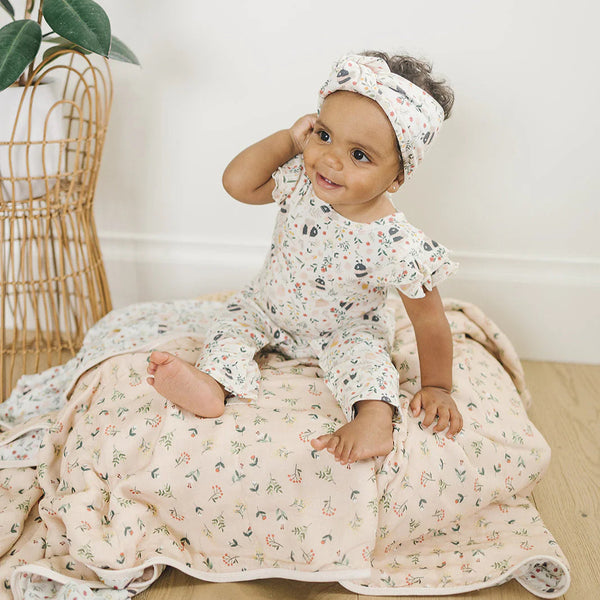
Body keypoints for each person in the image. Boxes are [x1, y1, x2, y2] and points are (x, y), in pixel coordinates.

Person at [146, 51, 463, 465]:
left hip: (344, 331)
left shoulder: (397, 243)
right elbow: (237, 183)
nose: (330, 159)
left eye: (360, 155)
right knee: (230, 327)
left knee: (368, 362)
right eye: (325, 136)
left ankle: (373, 417)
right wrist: (289, 141)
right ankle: (212, 384)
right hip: (267, 308)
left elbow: (429, 321)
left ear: (397, 177)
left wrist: (438, 386)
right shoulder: (300, 179)